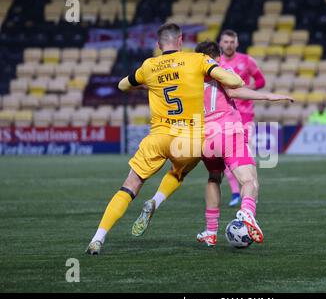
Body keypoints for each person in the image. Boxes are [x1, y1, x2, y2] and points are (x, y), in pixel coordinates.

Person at [85, 23, 245, 255]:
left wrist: (147, 86)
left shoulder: (149, 65)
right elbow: (234, 82)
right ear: (180, 40)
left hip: (158, 137)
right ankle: (156, 201)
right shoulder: (197, 59)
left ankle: (98, 238)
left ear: (159, 45)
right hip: (188, 140)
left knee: (129, 186)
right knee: (180, 172)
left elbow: (122, 85)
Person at [131, 41, 294, 246]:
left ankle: (210, 231)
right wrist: (268, 97)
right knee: (250, 181)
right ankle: (246, 212)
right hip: (227, 132)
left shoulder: (188, 76)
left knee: (214, 177)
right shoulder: (222, 69)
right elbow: (234, 91)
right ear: (217, 58)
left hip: (204, 137)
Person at [219, 29, 266, 207]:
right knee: (225, 157)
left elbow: (261, 81)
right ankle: (235, 193)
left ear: (237, 43)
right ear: (221, 43)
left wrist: (247, 91)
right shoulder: (216, 63)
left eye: (232, 41)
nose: (229, 45)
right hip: (225, 117)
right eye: (226, 42)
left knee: (246, 154)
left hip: (245, 116)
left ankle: (252, 189)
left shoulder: (246, 61)